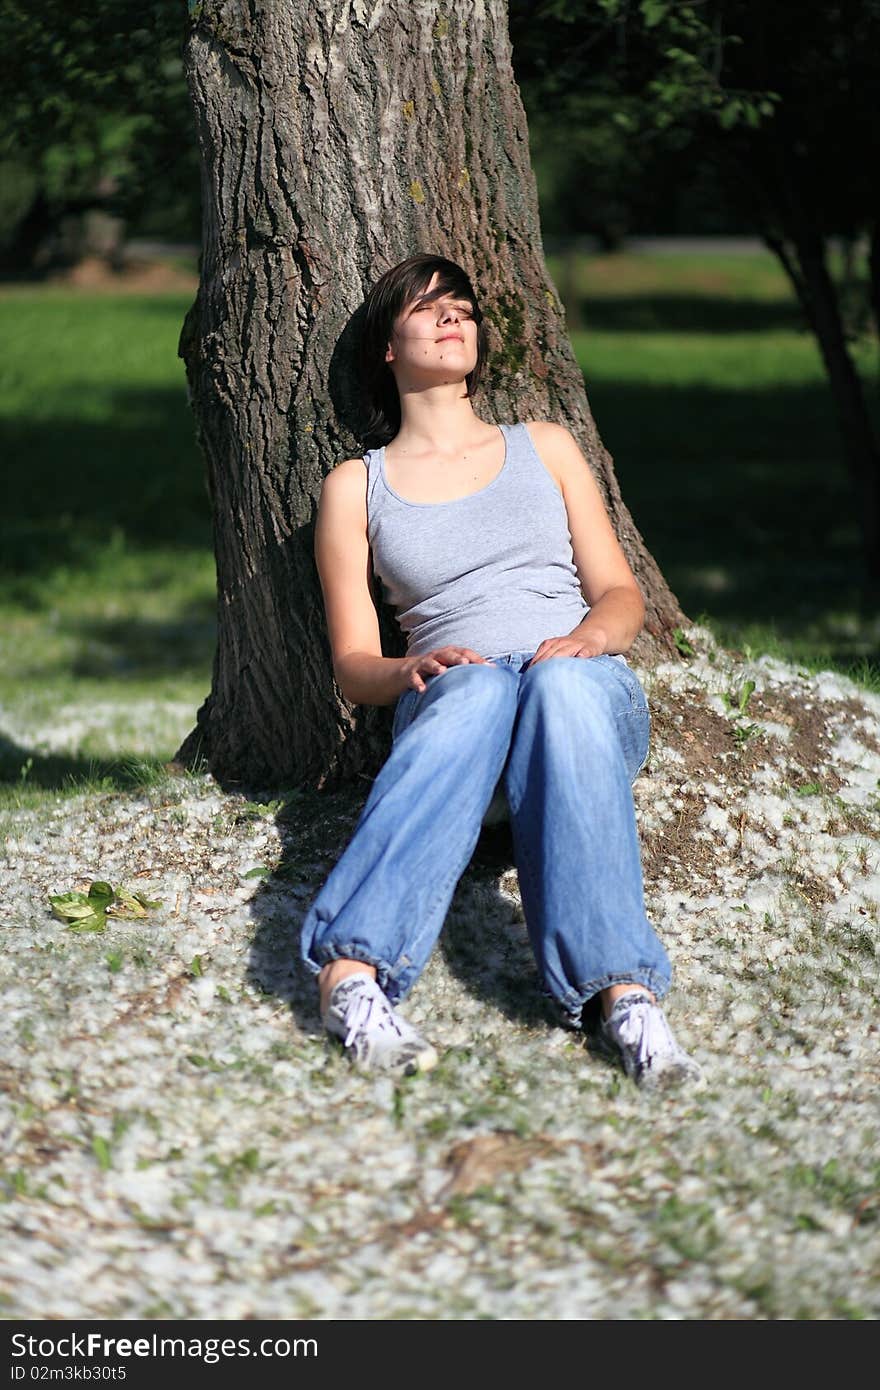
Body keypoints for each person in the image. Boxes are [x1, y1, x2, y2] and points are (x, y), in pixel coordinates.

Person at [299, 253, 701, 1090]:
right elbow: (353, 665)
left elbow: (621, 594)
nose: (454, 318)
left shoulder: (543, 446)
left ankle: (623, 996)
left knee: (557, 686)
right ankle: (352, 979)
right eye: (430, 307)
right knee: (478, 685)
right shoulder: (355, 487)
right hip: (460, 709)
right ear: (386, 346)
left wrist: (590, 639)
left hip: (578, 702)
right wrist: (413, 667)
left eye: (464, 309)